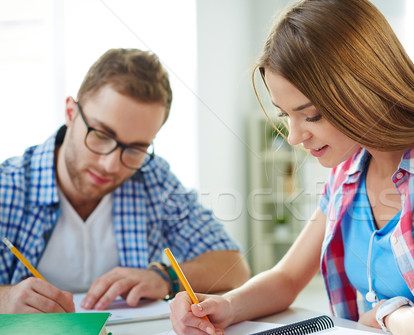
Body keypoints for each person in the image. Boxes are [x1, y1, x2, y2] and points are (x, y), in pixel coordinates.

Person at [169, 0, 414, 335]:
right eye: (286, 116)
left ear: (364, 86)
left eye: (311, 115)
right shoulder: (348, 174)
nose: (295, 136)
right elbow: (286, 278)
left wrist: (385, 315)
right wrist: (225, 306)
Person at [0, 48, 250, 314]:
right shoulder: (8, 188)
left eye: (135, 149)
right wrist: (5, 299)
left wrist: (165, 277)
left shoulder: (153, 178)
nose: (110, 165)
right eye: (101, 134)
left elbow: (235, 267)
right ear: (71, 113)